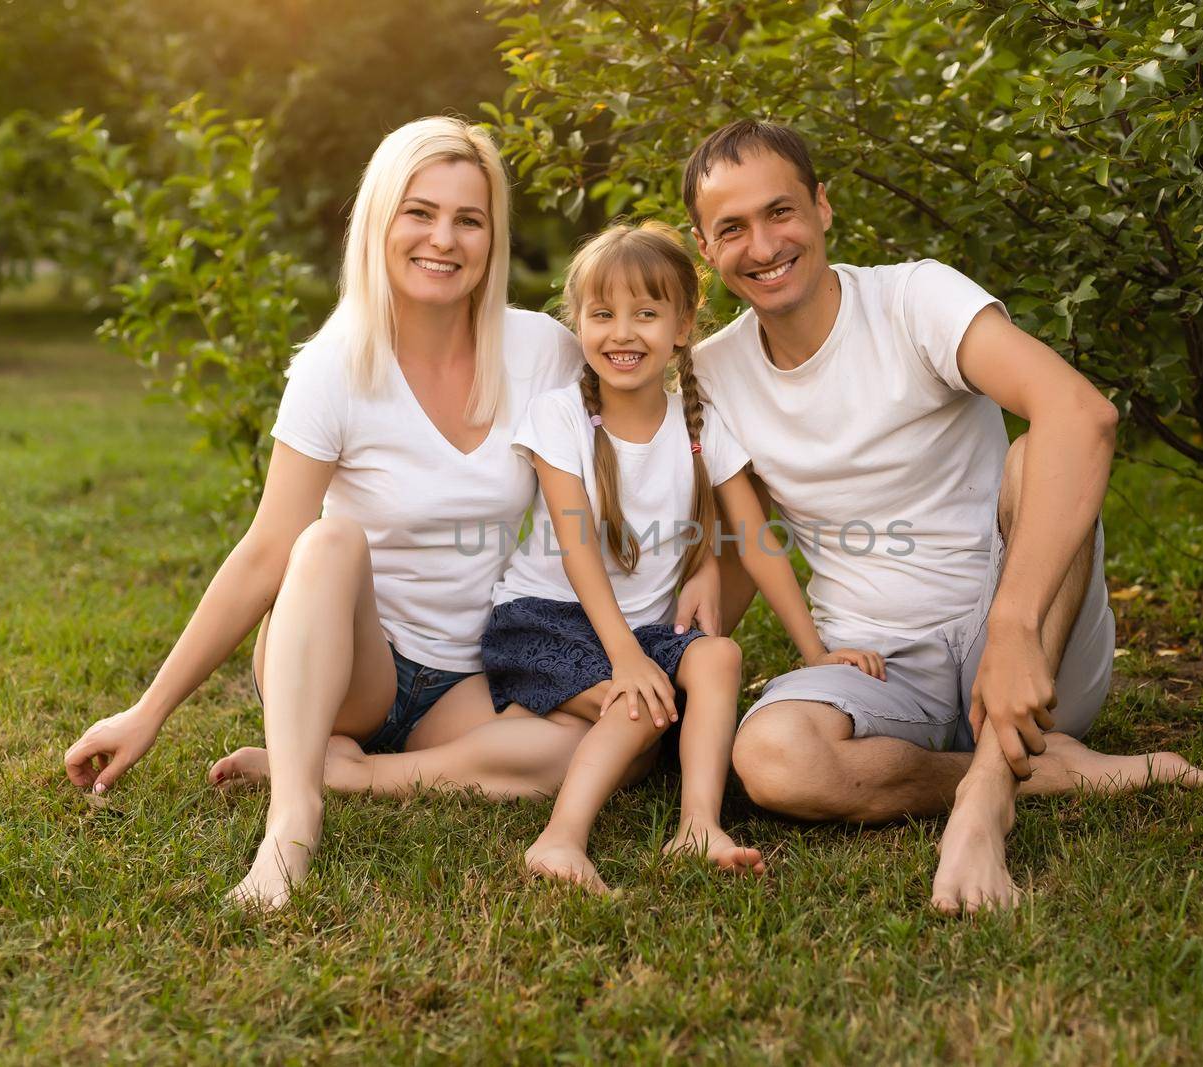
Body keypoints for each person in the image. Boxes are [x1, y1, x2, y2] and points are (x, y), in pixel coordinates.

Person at [61, 118, 714, 912]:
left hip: (463, 676)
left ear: (492, 236)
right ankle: (292, 820)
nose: (444, 238)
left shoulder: (543, 351)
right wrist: (149, 709)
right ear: (380, 218)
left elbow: (664, 383)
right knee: (327, 538)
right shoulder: (334, 366)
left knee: (601, 744)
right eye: (420, 211)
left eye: (468, 219)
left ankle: (347, 771)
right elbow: (267, 550)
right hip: (349, 665)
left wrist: (709, 555)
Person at [683, 120, 1203, 914]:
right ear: (705, 248)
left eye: (780, 212)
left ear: (823, 208)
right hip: (877, 668)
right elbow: (739, 540)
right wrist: (669, 663)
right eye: (732, 228)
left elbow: (1084, 413)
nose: (763, 245)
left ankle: (989, 801)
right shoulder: (715, 372)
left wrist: (1011, 629)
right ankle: (1055, 772)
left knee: (1042, 452)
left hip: (1022, 639)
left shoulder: (915, 298)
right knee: (770, 760)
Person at [310, 222, 884, 893]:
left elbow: (757, 544)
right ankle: (560, 838)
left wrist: (816, 652)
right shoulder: (561, 419)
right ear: (576, 323)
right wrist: (626, 658)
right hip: (543, 620)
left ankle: (698, 826)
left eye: (646, 314)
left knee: (719, 656)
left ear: (682, 326)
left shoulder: (702, 427)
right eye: (602, 314)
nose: (622, 333)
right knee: (637, 703)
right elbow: (579, 546)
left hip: (638, 630)